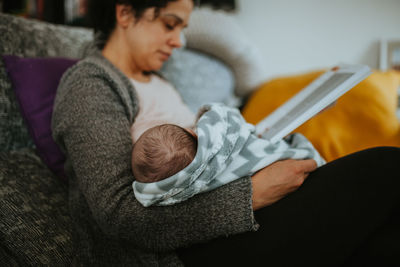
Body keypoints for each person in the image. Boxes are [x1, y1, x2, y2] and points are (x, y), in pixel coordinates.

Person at [51, 0, 400, 265]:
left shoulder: (160, 82)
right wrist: (253, 194)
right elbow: (120, 216)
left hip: (230, 216)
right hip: (182, 249)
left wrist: (301, 110)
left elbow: (210, 149)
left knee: (383, 241)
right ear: (125, 14)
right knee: (385, 166)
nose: (179, 42)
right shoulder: (89, 83)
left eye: (183, 28)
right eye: (170, 24)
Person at [132, 103, 325, 207]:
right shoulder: (214, 137)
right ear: (193, 132)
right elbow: (229, 123)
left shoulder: (179, 189)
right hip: (284, 167)